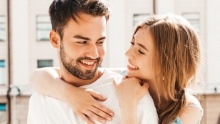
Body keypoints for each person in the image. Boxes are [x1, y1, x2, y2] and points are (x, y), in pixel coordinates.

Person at [30, 14, 204, 124]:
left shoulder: (187, 109)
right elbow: (38, 77)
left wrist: (128, 103)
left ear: (168, 62)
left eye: (141, 51)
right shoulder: (121, 77)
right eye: (132, 44)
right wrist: (73, 95)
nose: (128, 53)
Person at [27, 0, 158, 124]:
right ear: (55, 40)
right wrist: (70, 94)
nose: (94, 54)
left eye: (100, 42)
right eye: (82, 42)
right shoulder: (40, 102)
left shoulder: (133, 94)